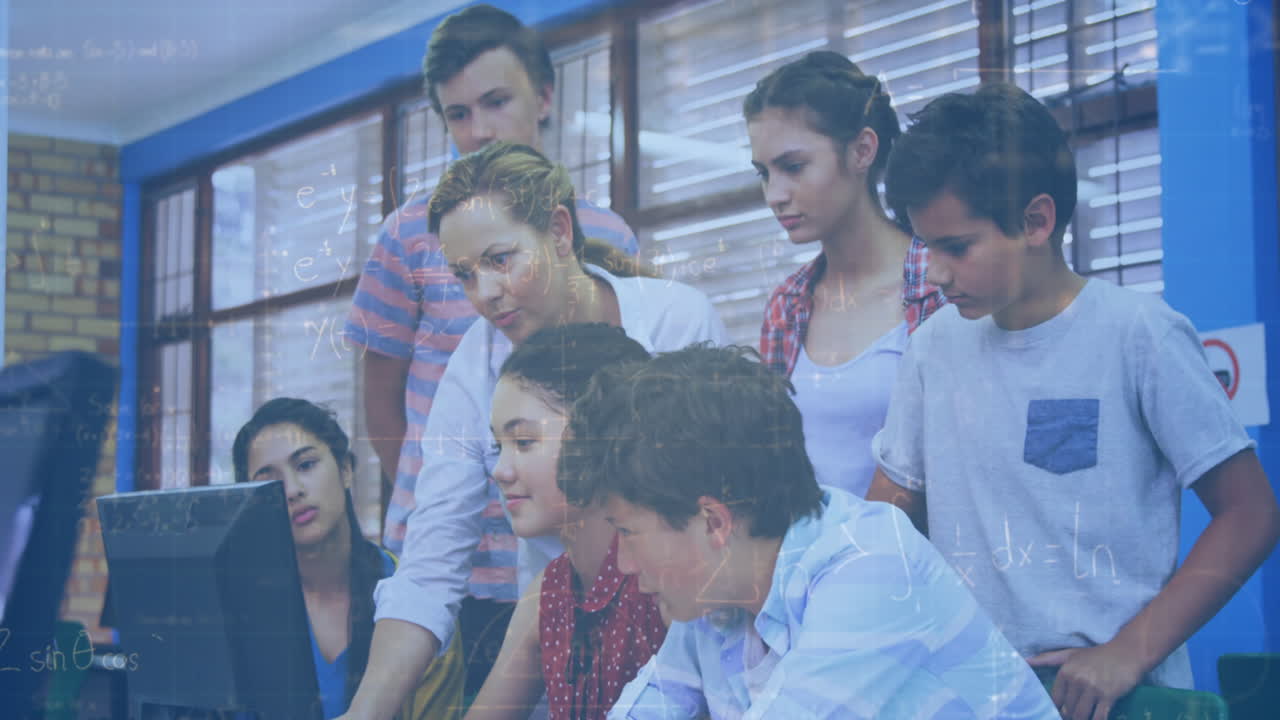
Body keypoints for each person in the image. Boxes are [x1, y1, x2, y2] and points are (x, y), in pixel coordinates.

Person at [866, 83, 1280, 720]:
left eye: (957, 247)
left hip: (1117, 699)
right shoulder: (932, 349)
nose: (936, 274)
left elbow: (1250, 514)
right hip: (972, 696)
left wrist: (1128, 651)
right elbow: (887, 524)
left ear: (1036, 221)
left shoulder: (1138, 335)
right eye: (926, 247)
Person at [344, 142, 727, 720]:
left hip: (696, 621)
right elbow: (431, 562)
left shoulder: (678, 321)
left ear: (560, 231)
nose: (484, 294)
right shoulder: (472, 370)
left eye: (500, 260)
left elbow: (728, 501)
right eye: (465, 274)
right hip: (573, 628)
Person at [343, 4, 638, 696]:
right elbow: (383, 402)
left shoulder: (607, 233)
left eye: (496, 101)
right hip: (455, 559)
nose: (477, 130)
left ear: (544, 98)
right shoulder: (409, 234)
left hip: (588, 551)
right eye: (457, 113)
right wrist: (454, 489)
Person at [554, 344, 1056, 719]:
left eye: (628, 532)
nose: (624, 563)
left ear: (713, 522)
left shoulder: (873, 567)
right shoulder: (717, 591)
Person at [745, 51, 944, 497]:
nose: (774, 195)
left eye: (793, 167)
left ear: (862, 151)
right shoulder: (786, 306)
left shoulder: (943, 285)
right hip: (803, 541)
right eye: (763, 173)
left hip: (915, 540)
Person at [466, 323, 666, 720]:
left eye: (524, 442)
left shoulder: (664, 580)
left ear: (602, 438)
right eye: (498, 446)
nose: (500, 471)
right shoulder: (550, 591)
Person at [232, 397, 465, 720]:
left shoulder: (417, 597)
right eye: (270, 481)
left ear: (345, 470)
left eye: (306, 465)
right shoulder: (238, 609)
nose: (292, 490)